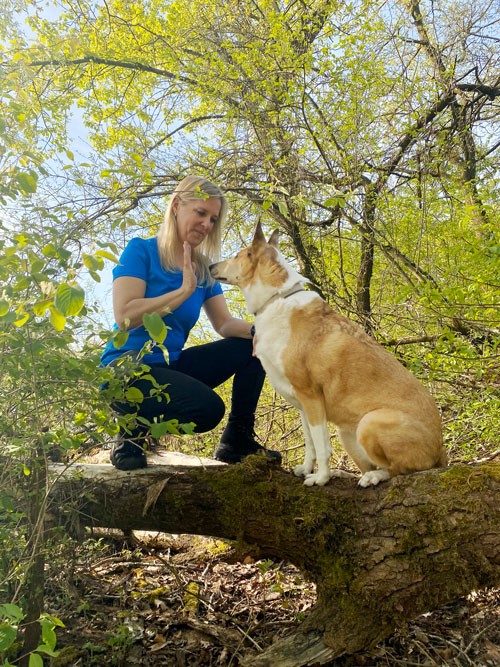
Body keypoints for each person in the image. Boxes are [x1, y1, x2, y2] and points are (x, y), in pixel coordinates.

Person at [100, 175, 282, 470]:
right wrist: (182, 291)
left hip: (169, 366)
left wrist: (264, 331)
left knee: (255, 345)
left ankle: (237, 440)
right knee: (208, 409)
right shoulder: (141, 251)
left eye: (213, 218)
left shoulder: (202, 267)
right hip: (126, 370)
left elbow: (223, 324)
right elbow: (125, 317)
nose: (207, 225)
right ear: (175, 206)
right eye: (201, 213)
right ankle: (131, 431)